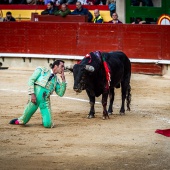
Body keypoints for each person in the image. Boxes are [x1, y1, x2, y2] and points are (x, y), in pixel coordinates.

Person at [9, 60, 67, 128]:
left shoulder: (56, 80)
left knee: (48, 125)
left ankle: (45, 120)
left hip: (45, 102)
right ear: (56, 66)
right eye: (62, 66)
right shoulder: (42, 70)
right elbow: (31, 80)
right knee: (23, 121)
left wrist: (63, 81)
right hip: (35, 99)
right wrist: (32, 94)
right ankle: (19, 120)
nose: (63, 68)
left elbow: (60, 93)